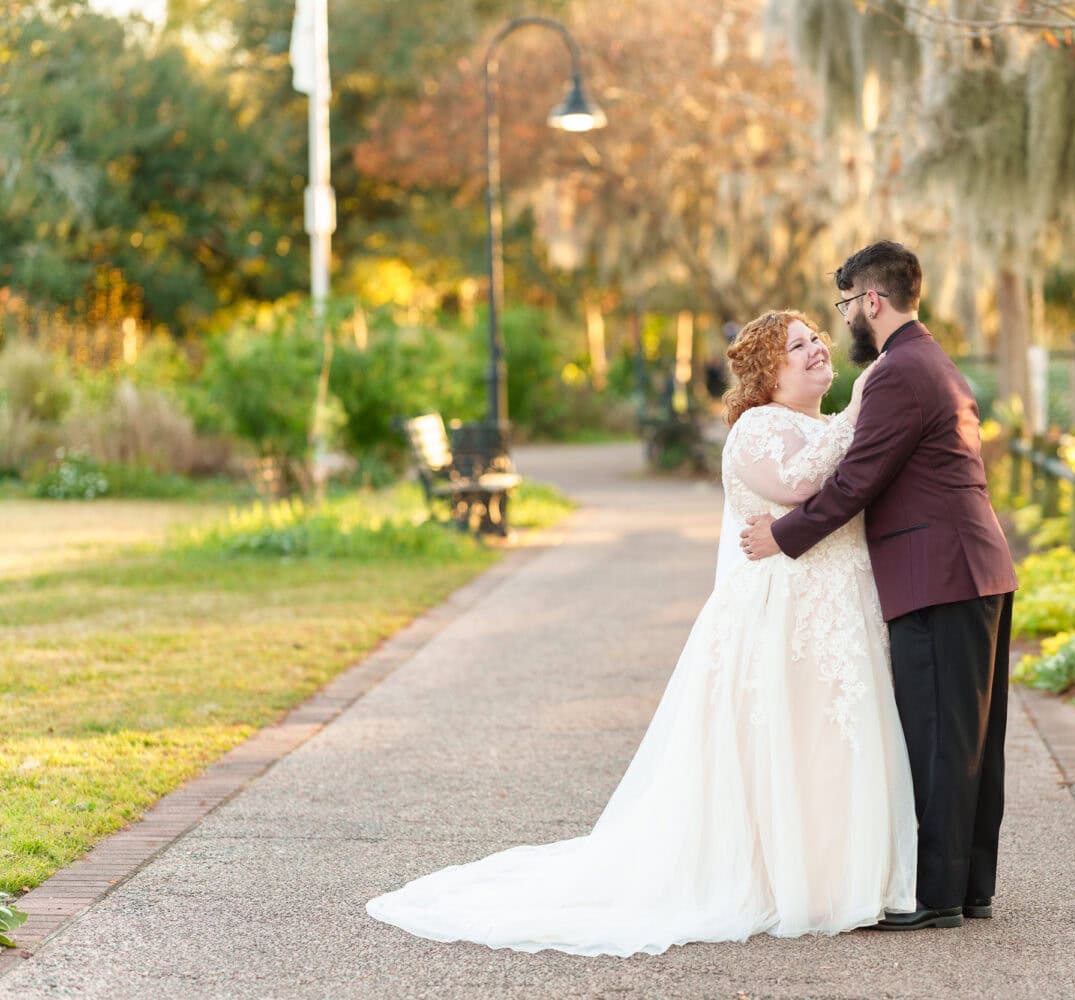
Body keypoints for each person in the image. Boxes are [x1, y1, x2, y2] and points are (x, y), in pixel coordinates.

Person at [367, 310, 916, 956]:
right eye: (799, 346)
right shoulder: (754, 431)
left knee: (836, 742)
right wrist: (858, 407)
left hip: (836, 620)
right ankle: (791, 881)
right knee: (792, 743)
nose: (818, 349)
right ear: (768, 371)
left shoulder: (824, 426)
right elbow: (800, 484)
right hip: (779, 624)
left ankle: (845, 878)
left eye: (817, 340)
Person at [741, 241, 1019, 931]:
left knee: (940, 736)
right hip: (970, 566)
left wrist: (782, 536)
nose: (845, 323)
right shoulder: (933, 360)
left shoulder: (898, 372)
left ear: (872, 301)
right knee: (972, 738)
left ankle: (937, 899)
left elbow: (858, 479)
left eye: (845, 306)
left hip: (939, 574)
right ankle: (970, 887)